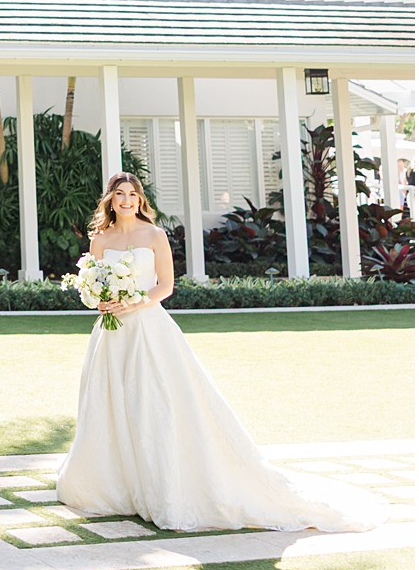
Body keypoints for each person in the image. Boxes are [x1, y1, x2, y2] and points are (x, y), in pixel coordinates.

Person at [56, 171, 386, 533]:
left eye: (132, 194)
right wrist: (101, 302)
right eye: (120, 194)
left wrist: (132, 304)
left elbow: (165, 286)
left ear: (140, 200)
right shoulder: (100, 239)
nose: (126, 200)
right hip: (111, 335)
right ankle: (114, 483)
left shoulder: (154, 235)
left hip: (148, 330)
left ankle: (160, 482)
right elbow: (91, 283)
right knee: (108, 403)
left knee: (154, 403)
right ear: (110, 199)